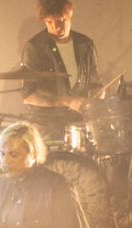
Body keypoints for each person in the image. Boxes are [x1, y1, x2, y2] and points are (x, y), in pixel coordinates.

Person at [21, 0, 101, 141]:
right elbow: (30, 95)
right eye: (49, 22)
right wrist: (68, 101)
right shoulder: (35, 47)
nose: (55, 27)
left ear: (70, 13)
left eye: (61, 21)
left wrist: (95, 102)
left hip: (78, 123)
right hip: (46, 125)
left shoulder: (85, 44)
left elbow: (96, 85)